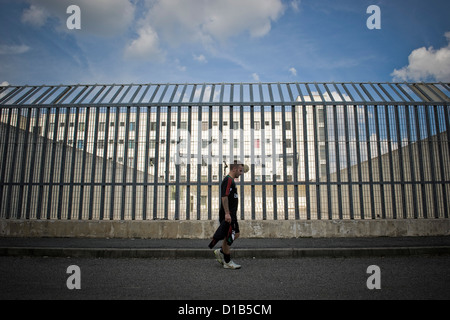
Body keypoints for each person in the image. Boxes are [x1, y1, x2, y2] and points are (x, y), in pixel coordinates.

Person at [208, 161, 244, 269]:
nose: (241, 173)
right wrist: (227, 213)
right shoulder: (228, 180)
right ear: (234, 169)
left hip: (232, 214)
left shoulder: (231, 181)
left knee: (235, 234)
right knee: (229, 237)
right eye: (240, 170)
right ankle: (227, 261)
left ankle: (221, 251)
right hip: (229, 215)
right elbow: (224, 197)